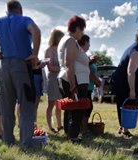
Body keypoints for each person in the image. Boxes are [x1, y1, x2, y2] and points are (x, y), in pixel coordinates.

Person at [0, 0, 41, 149]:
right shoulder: (25, 20)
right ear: (20, 10)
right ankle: (25, 144)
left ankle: (9, 141)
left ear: (7, 11)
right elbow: (36, 31)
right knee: (26, 105)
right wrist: (35, 54)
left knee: (6, 106)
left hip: (4, 67)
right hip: (21, 66)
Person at [111, 26, 138, 138]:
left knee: (130, 105)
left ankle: (123, 128)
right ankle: (124, 130)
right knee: (128, 105)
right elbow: (130, 72)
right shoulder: (136, 52)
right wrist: (132, 90)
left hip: (129, 85)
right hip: (125, 85)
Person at [56, 15, 89, 143]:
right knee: (77, 109)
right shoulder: (70, 41)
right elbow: (69, 63)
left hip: (67, 77)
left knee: (70, 108)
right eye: (82, 30)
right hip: (74, 79)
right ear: (76, 28)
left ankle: (69, 134)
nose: (82, 33)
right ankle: (73, 136)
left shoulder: (65, 39)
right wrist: (72, 86)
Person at [77, 34, 102, 135]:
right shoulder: (80, 54)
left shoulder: (84, 55)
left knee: (87, 107)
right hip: (85, 86)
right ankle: (83, 129)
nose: (89, 45)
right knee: (86, 108)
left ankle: (83, 128)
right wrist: (97, 81)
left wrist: (91, 59)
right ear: (84, 43)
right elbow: (88, 72)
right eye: (88, 43)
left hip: (89, 87)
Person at [44, 29, 64, 133]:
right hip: (52, 79)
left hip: (60, 79)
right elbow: (51, 67)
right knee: (51, 103)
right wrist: (64, 69)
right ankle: (50, 126)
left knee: (59, 104)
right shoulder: (49, 50)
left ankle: (60, 125)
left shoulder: (60, 50)